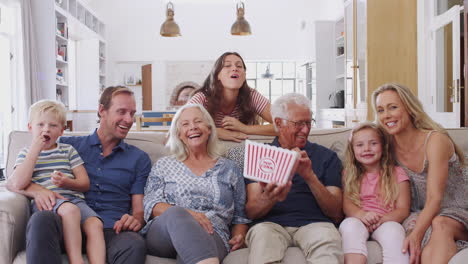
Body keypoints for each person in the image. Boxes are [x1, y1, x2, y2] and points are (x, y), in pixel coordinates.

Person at [8, 86, 152, 264]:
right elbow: (12, 182)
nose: (129, 120)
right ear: (102, 111)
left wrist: (136, 219)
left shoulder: (139, 158)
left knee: (134, 243)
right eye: (121, 112)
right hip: (64, 224)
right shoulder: (67, 145)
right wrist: (38, 191)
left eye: (132, 113)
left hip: (111, 228)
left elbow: (139, 209)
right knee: (41, 219)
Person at [239, 93, 344, 263]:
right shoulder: (261, 156)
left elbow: (336, 214)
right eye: (299, 123)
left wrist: (309, 177)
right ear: (279, 123)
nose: (305, 129)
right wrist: (271, 196)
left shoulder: (327, 157)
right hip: (270, 225)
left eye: (308, 123)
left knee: (327, 242)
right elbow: (252, 211)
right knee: (262, 239)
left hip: (315, 224)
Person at [372, 83, 468, 264]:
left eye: (393, 107)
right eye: (380, 110)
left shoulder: (435, 140)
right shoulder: (386, 147)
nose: (386, 115)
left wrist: (416, 234)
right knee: (426, 226)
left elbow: (434, 199)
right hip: (422, 213)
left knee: (439, 224)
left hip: (459, 211)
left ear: (409, 108)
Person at [142, 103, 250, 264]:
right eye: (185, 124)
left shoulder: (229, 169)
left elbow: (240, 217)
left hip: (213, 233)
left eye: (198, 122)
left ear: (209, 128)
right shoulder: (164, 165)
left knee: (194, 250)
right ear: (178, 134)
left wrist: (238, 236)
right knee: (177, 213)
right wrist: (190, 215)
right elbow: (151, 204)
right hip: (165, 232)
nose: (193, 127)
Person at [7, 100, 105, 264]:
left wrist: (67, 182)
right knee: (70, 211)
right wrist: (34, 150)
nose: (46, 129)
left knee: (95, 224)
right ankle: (76, 260)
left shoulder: (68, 151)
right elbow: (18, 183)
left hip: (74, 200)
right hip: (47, 202)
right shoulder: (25, 153)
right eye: (40, 124)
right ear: (30, 128)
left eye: (52, 125)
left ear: (61, 131)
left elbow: (84, 183)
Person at [339, 122, 410, 264]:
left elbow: (403, 209)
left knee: (394, 232)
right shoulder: (349, 174)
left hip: (386, 221)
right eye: (359, 145)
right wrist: (362, 215)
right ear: (352, 150)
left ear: (383, 146)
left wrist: (381, 221)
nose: (366, 149)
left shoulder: (397, 173)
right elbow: (347, 205)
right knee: (349, 226)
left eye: (373, 143)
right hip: (358, 219)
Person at [188, 51, 276, 142]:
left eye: (239, 66)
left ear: (244, 75)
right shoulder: (202, 97)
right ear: (217, 75)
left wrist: (244, 128)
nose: (234, 68)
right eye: (227, 65)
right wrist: (215, 131)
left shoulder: (251, 95)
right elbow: (180, 126)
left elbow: (284, 124)